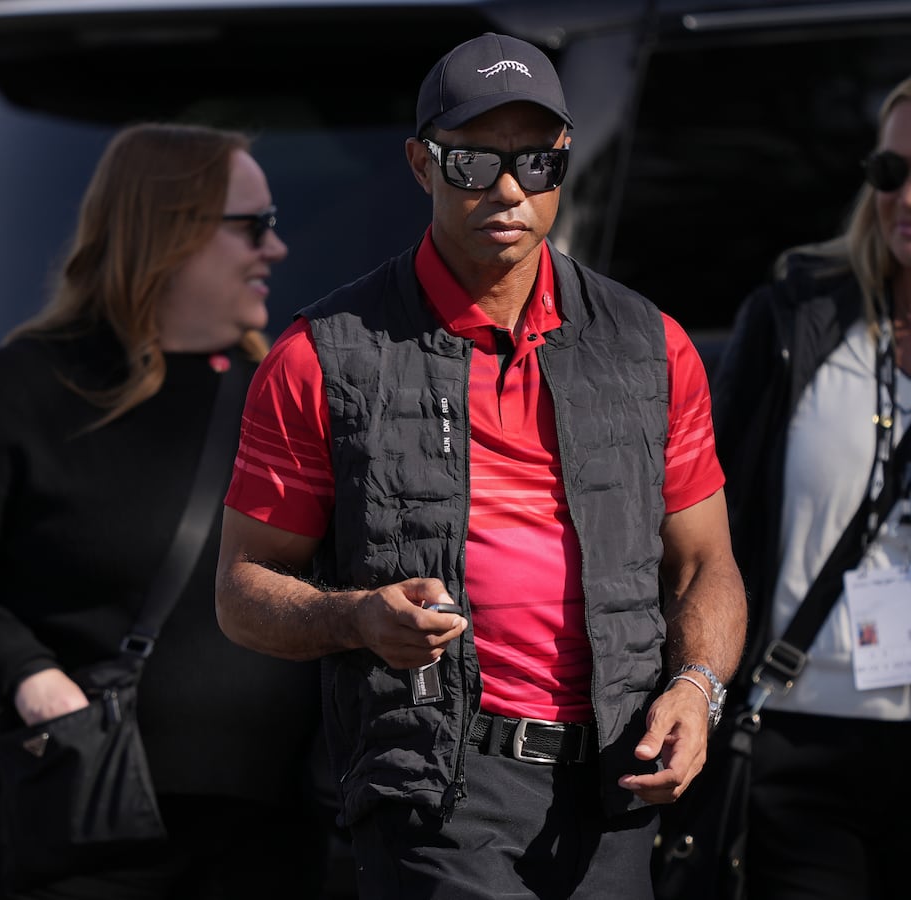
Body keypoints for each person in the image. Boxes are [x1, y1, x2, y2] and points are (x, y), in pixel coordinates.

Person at [213, 33, 747, 900]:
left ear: (563, 160)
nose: (508, 189)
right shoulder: (322, 355)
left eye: (536, 162)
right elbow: (242, 590)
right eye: (473, 163)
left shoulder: (651, 344)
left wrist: (697, 689)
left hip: (618, 780)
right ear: (421, 164)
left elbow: (704, 565)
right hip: (435, 786)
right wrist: (357, 617)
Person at [0, 123, 328, 898]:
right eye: (254, 226)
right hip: (85, 824)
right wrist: (30, 674)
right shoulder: (28, 388)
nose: (276, 248)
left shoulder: (282, 393)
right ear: (172, 231)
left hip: (271, 839)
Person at [712, 74, 911, 899]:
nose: (906, 198)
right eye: (892, 172)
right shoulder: (798, 315)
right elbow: (712, 521)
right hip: (798, 736)